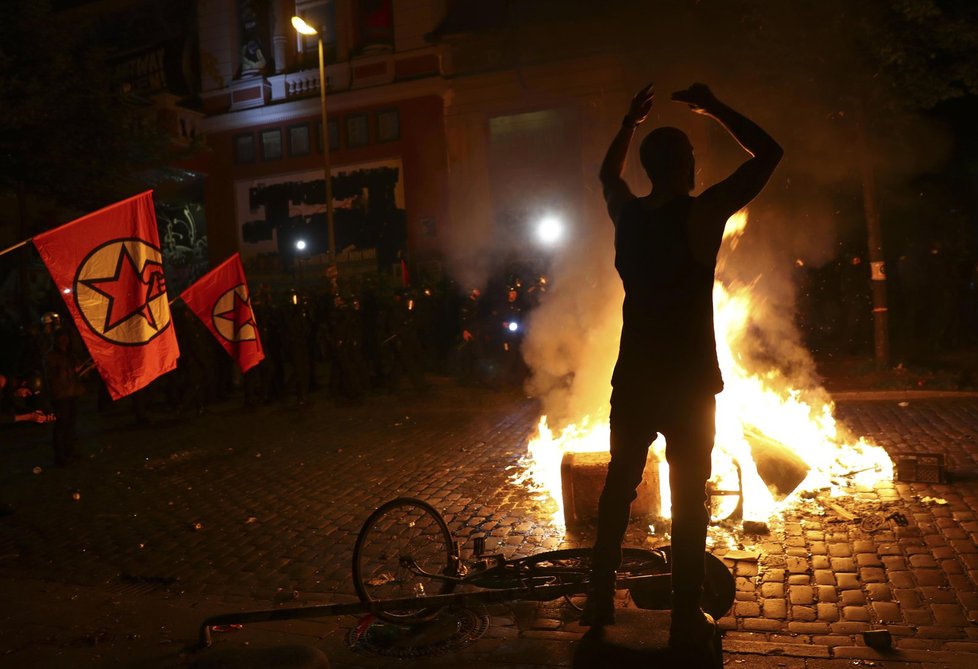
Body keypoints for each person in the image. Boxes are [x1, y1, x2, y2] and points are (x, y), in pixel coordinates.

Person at [581, 82, 782, 649]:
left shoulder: (628, 217)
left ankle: (599, 598)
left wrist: (628, 124)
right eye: (691, 157)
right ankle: (684, 613)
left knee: (618, 488)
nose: (696, 166)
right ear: (684, 165)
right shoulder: (704, 214)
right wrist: (716, 106)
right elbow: (769, 154)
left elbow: (607, 179)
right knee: (690, 499)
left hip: (636, 376)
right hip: (690, 382)